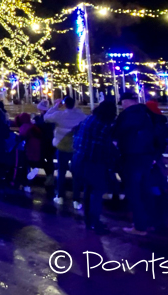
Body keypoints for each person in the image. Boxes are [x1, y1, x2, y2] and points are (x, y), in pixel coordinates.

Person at [112, 92, 156, 235]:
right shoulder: (146, 113)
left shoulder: (127, 116)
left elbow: (117, 132)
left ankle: (139, 226)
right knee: (145, 189)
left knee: (133, 191)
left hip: (132, 155)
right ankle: (149, 222)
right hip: (146, 155)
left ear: (126, 102)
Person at [73, 100, 118, 234]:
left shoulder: (89, 119)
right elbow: (106, 145)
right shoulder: (104, 125)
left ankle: (88, 220)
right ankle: (95, 220)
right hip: (94, 161)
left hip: (80, 159)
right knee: (98, 191)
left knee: (88, 190)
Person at [44, 96, 86, 208]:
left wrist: (56, 106)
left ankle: (60, 196)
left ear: (64, 104)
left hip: (62, 146)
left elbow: (46, 117)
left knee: (61, 172)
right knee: (76, 173)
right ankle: (76, 199)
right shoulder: (80, 115)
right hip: (75, 147)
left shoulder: (59, 115)